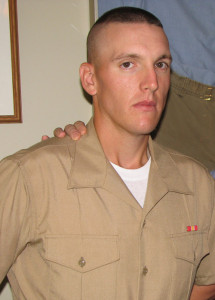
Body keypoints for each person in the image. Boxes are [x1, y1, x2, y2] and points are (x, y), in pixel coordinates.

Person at [1, 7, 215, 300]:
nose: (151, 82)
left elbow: (206, 284)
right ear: (90, 79)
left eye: (161, 64)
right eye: (128, 64)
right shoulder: (29, 177)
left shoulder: (196, 183)